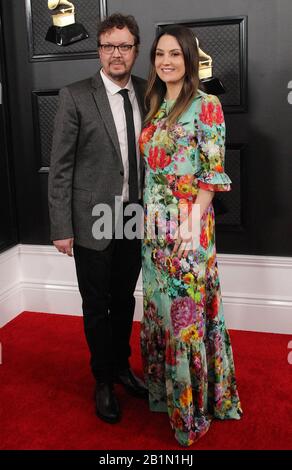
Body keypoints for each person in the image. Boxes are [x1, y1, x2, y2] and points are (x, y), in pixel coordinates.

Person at [139, 25, 242, 446]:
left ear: (189, 59)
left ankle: (195, 409)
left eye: (175, 55)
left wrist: (190, 222)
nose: (166, 61)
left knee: (187, 318)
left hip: (188, 226)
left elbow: (211, 175)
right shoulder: (154, 103)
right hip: (153, 226)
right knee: (161, 311)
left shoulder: (207, 105)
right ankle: (166, 397)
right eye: (160, 54)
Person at [48, 13, 147, 425]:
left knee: (125, 300)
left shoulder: (148, 92)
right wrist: (61, 228)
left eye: (124, 46)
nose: (116, 54)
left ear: (135, 49)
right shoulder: (75, 95)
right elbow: (61, 168)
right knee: (97, 305)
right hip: (92, 218)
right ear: (99, 49)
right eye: (108, 46)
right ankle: (103, 380)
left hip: (134, 213)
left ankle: (123, 368)